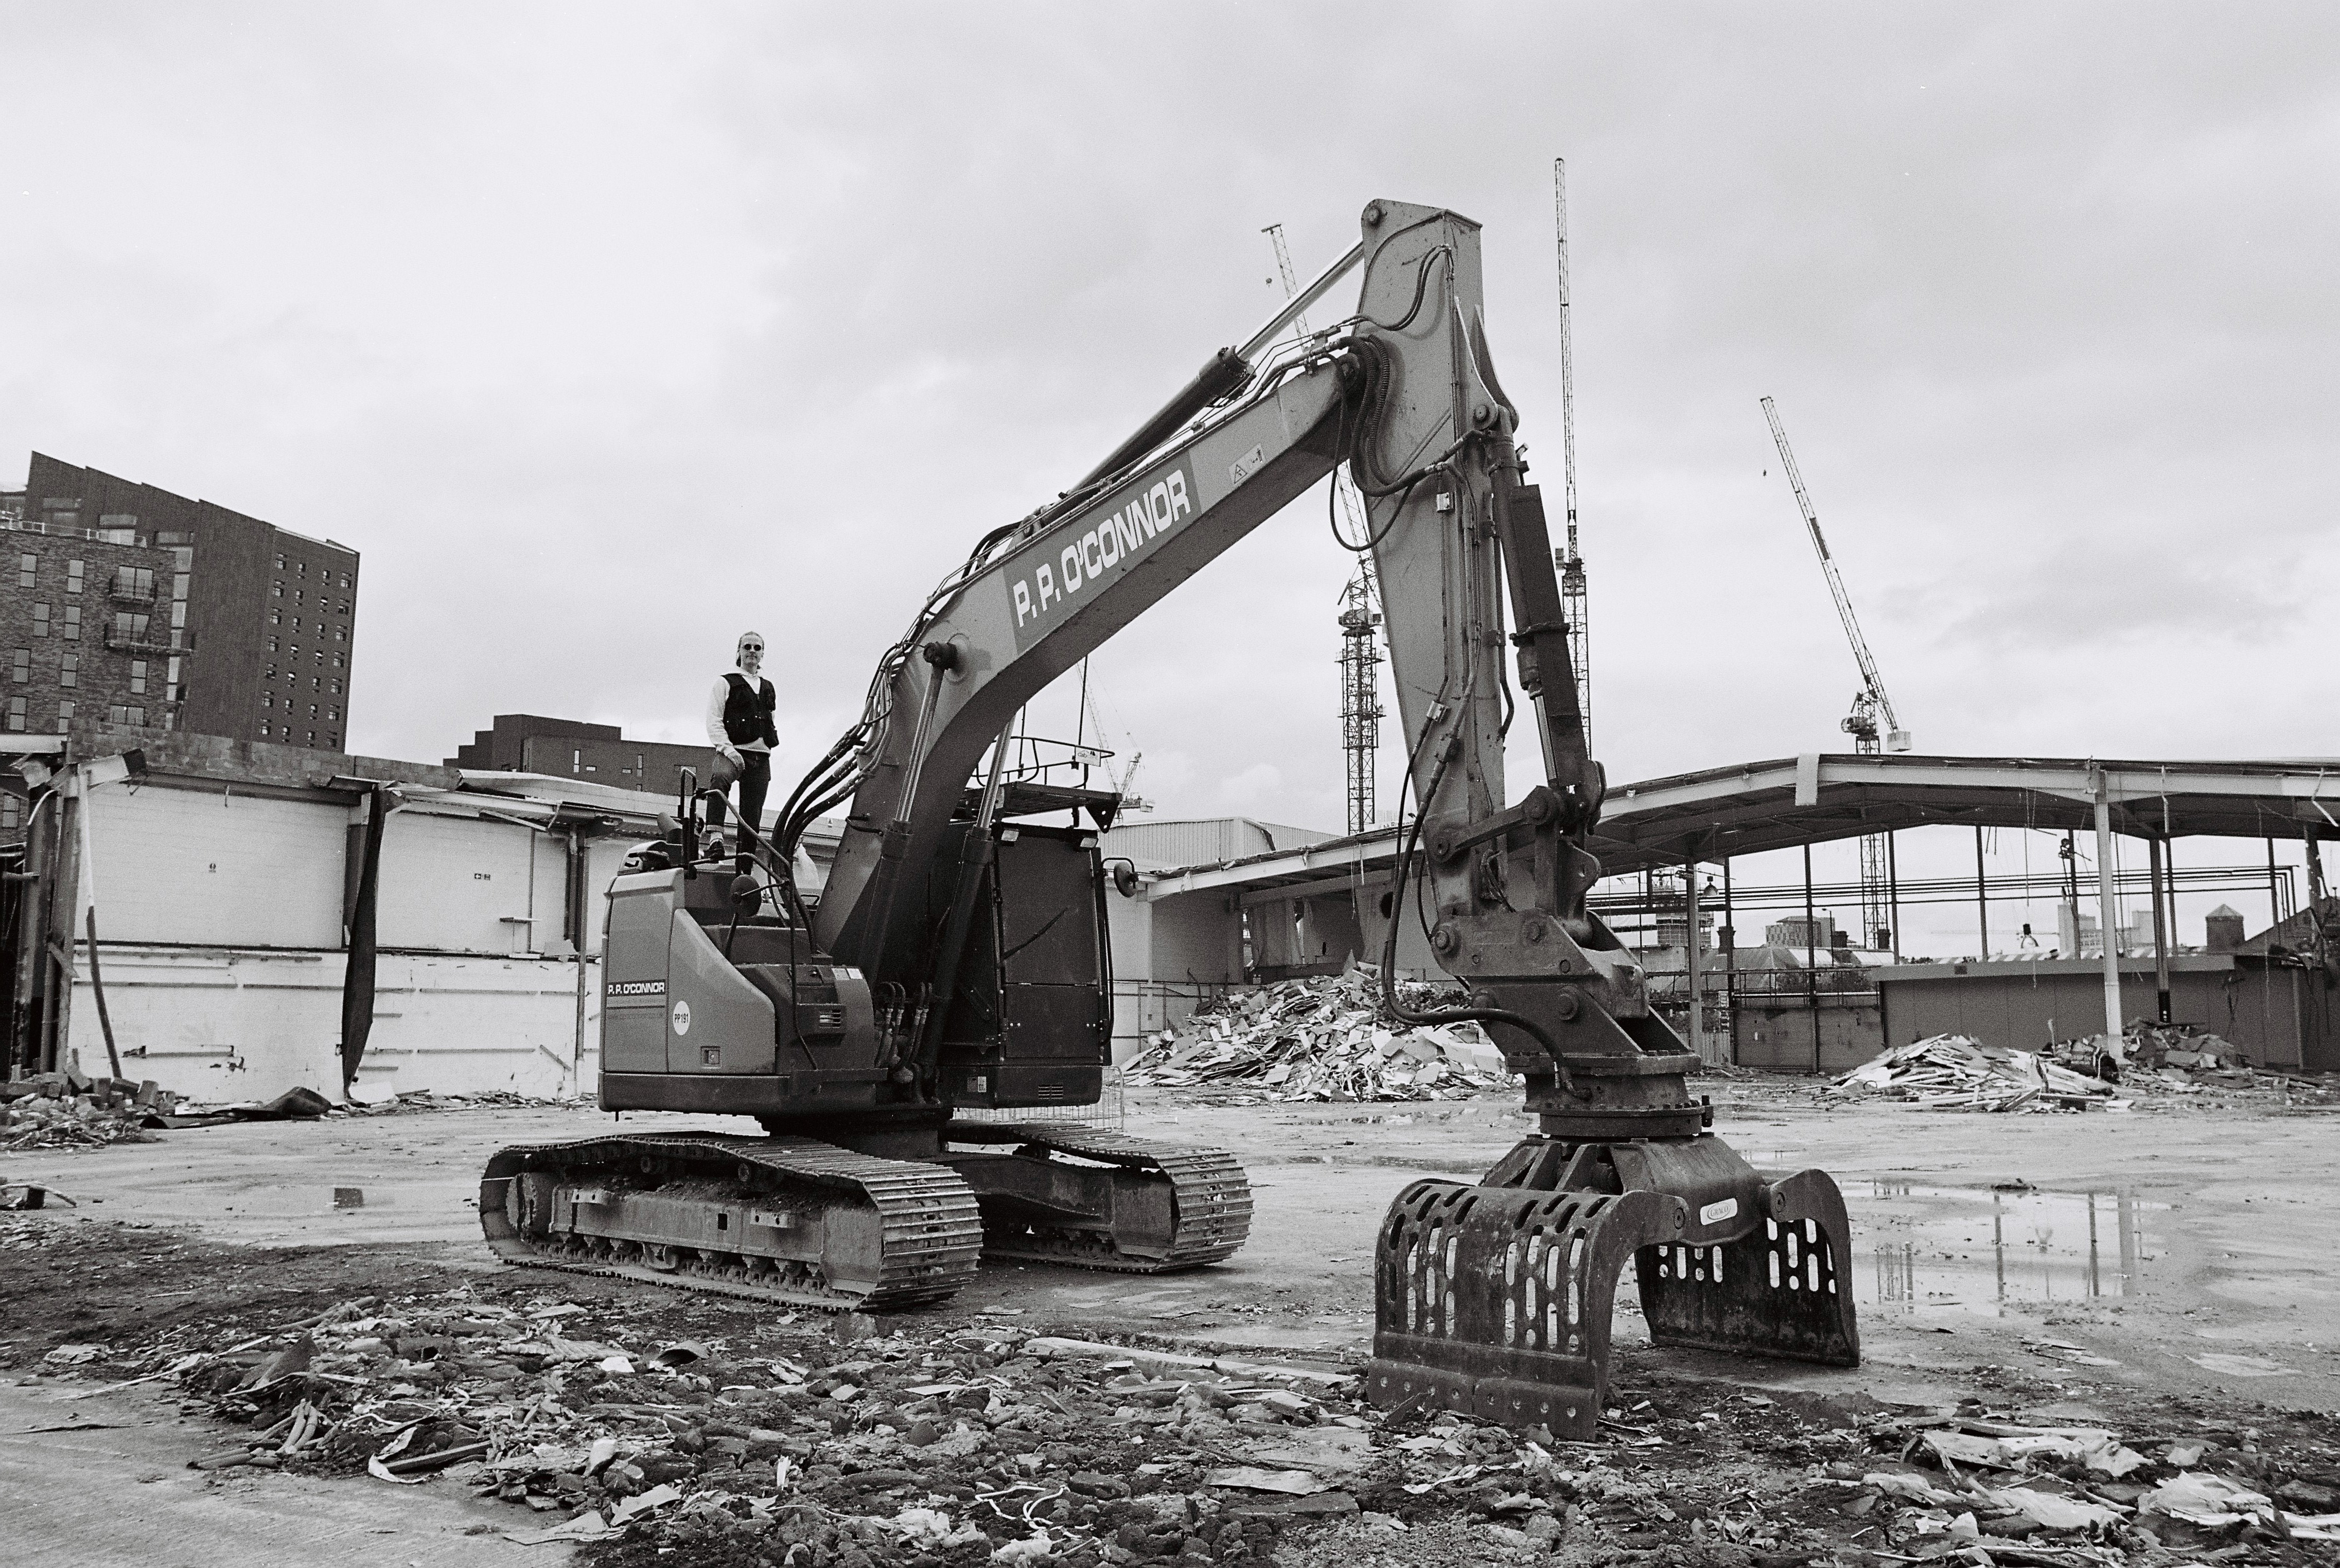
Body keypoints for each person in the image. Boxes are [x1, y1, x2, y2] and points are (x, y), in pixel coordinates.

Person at [705, 631, 778, 872]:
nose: (752, 651)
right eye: (747, 646)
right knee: (720, 779)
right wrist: (728, 750)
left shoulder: (768, 687)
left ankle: (744, 868)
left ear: (763, 653)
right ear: (739, 651)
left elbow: (770, 719)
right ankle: (715, 838)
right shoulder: (725, 682)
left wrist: (767, 748)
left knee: (752, 815)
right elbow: (714, 720)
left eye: (757, 647)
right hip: (734, 751)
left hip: (761, 758)